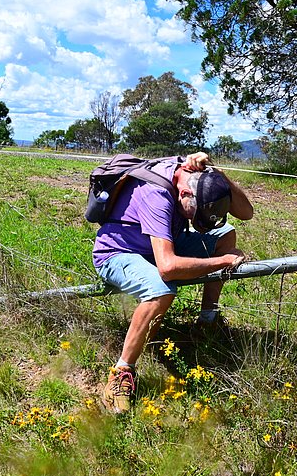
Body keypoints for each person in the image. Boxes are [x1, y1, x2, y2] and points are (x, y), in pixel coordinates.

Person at [91, 151, 254, 413]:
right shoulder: (156, 194)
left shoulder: (195, 175)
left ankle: (206, 322)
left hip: (161, 242)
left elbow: (246, 213)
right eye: (191, 217)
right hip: (118, 253)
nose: (193, 223)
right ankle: (122, 372)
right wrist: (222, 261)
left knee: (225, 235)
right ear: (183, 196)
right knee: (161, 290)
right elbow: (167, 268)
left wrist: (217, 175)